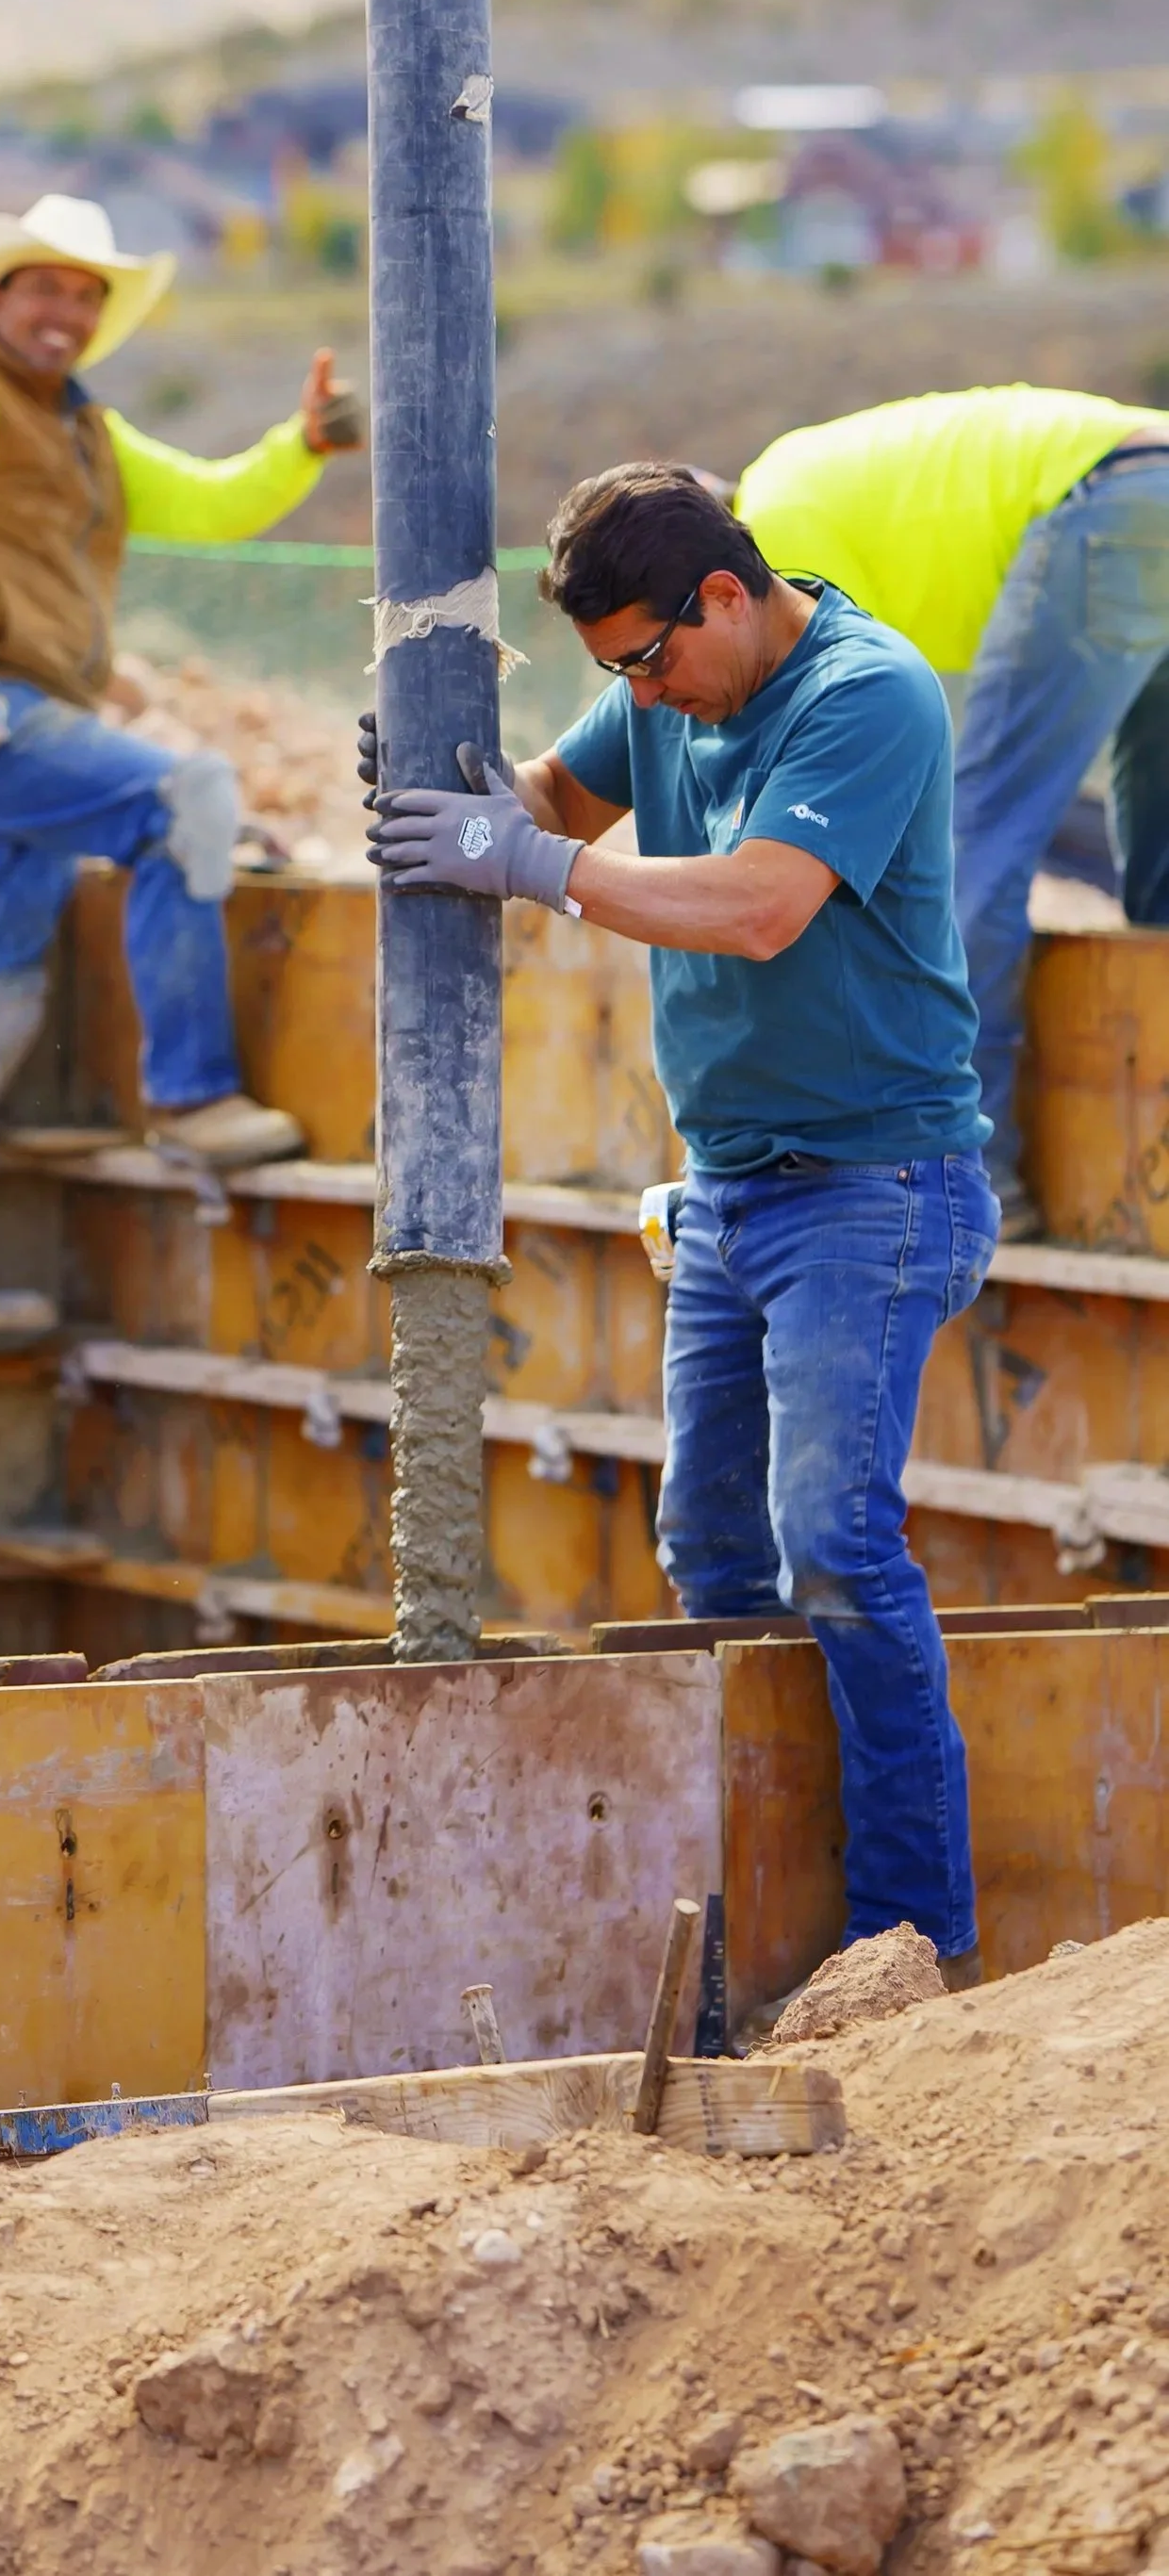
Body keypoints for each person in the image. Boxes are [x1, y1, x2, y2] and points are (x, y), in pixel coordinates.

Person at [367, 461, 996, 1973]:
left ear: (724, 594)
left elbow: (764, 901)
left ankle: (916, 1935)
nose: (641, 697)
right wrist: (457, 802)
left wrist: (529, 866)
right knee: (711, 1543)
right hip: (730, 1189)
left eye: (648, 661)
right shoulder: (668, 686)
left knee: (834, 1538)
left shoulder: (867, 691)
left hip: (874, 1184)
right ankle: (770, 1915)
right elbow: (554, 802)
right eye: (613, 673)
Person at [0, 189, 360, 1352]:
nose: (67, 310)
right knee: (187, 797)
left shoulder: (85, 433)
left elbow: (213, 503)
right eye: (45, 287)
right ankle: (187, 1095)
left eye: (86, 293)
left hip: (17, 725)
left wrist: (300, 447)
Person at [734, 386, 1169, 1229]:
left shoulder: (768, 534)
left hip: (1103, 505)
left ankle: (970, 1170)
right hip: (1146, 483)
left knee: (976, 847)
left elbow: (838, 743)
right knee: (1160, 862)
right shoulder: (813, 484)